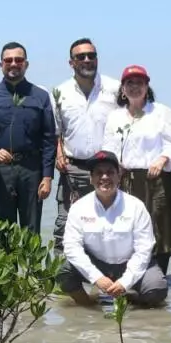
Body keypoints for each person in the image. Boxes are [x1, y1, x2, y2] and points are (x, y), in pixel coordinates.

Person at [57, 151, 167, 307]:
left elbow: (144, 250)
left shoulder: (136, 206)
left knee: (157, 288)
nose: (104, 177)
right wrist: (96, 278)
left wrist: (125, 282)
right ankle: (89, 306)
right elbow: (71, 248)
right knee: (63, 273)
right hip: (97, 263)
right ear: (91, 178)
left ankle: (129, 303)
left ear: (118, 176)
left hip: (128, 263)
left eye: (110, 172)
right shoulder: (78, 208)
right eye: (99, 173)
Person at [0, 42, 57, 232]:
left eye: (19, 60)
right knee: (4, 230)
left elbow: (49, 139)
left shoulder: (40, 96)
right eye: (8, 60)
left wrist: (48, 176)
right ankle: (6, 264)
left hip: (32, 170)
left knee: (31, 230)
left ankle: (31, 263)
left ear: (26, 64)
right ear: (1, 64)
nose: (14, 64)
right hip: (1, 171)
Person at [102, 65, 171, 272]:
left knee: (161, 228)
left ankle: (159, 275)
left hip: (158, 178)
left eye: (140, 83)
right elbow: (108, 147)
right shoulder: (115, 117)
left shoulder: (162, 112)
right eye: (130, 83)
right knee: (128, 227)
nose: (135, 87)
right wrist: (115, 165)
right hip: (127, 178)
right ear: (122, 88)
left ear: (147, 86)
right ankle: (133, 276)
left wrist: (162, 159)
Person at [51, 38, 119, 250]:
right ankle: (64, 280)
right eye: (81, 57)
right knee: (65, 226)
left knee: (107, 227)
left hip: (107, 170)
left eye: (91, 56)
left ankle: (104, 279)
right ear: (71, 62)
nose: (87, 60)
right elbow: (55, 132)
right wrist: (58, 154)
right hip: (73, 168)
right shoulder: (60, 92)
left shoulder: (115, 89)